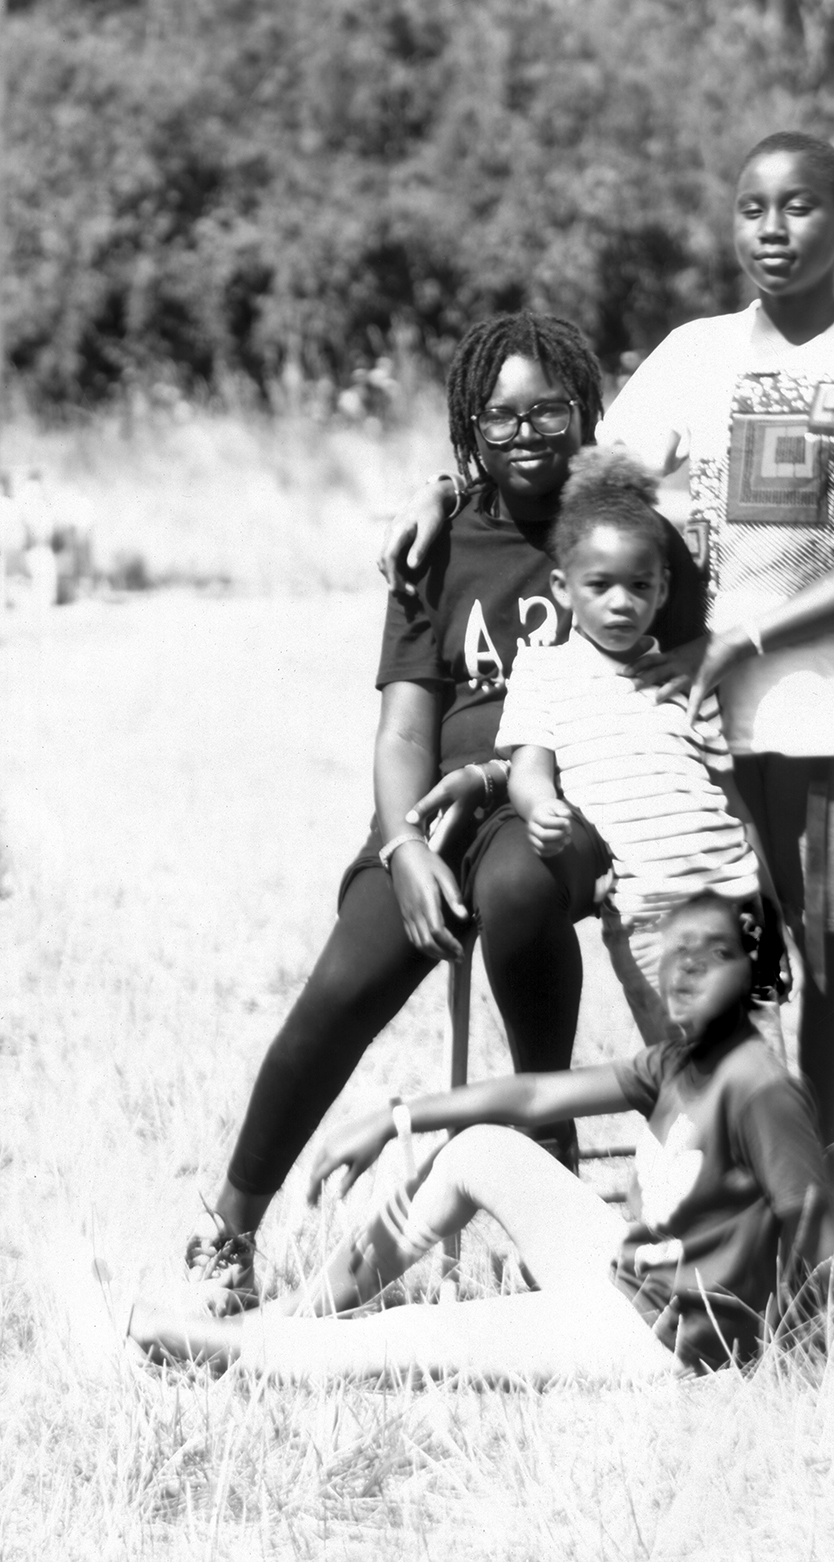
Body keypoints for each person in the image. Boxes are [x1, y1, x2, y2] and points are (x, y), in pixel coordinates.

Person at [385, 132, 834, 1178]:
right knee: (711, 960)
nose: (772, 230)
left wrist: (741, 635)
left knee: (830, 957)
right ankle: (736, 1180)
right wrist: (447, 487)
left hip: (829, 718)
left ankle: (811, 1194)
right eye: (751, 208)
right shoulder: (695, 356)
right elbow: (571, 466)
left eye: (798, 208)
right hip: (694, 729)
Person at [186, 311, 706, 1311]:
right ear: (469, 425)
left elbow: (677, 682)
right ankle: (228, 1232)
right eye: (498, 416)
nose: (525, 434)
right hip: (434, 812)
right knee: (345, 979)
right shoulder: (437, 544)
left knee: (516, 886)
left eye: (548, 411)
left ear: (584, 413)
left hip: (557, 805)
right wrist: (403, 846)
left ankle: (547, 1178)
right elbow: (401, 733)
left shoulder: (624, 537)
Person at [131, 894, 834, 1382]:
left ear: (754, 972)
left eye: (711, 958)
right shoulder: (680, 1061)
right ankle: (296, 1315)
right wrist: (397, 1117)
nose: (683, 973)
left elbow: (815, 1225)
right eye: (676, 953)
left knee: (417, 1336)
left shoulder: (762, 1090)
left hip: (656, 1338)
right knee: (480, 1145)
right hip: (620, 1273)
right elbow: (535, 1094)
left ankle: (231, 1352)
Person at [497, 444, 772, 1046]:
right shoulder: (544, 672)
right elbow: (528, 767)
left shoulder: (682, 678)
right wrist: (541, 809)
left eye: (639, 585)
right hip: (650, 914)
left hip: (735, 899)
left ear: (663, 589)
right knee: (690, 1071)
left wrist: (767, 909)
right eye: (600, 585)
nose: (621, 602)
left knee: (760, 1069)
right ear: (563, 587)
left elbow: (730, 798)